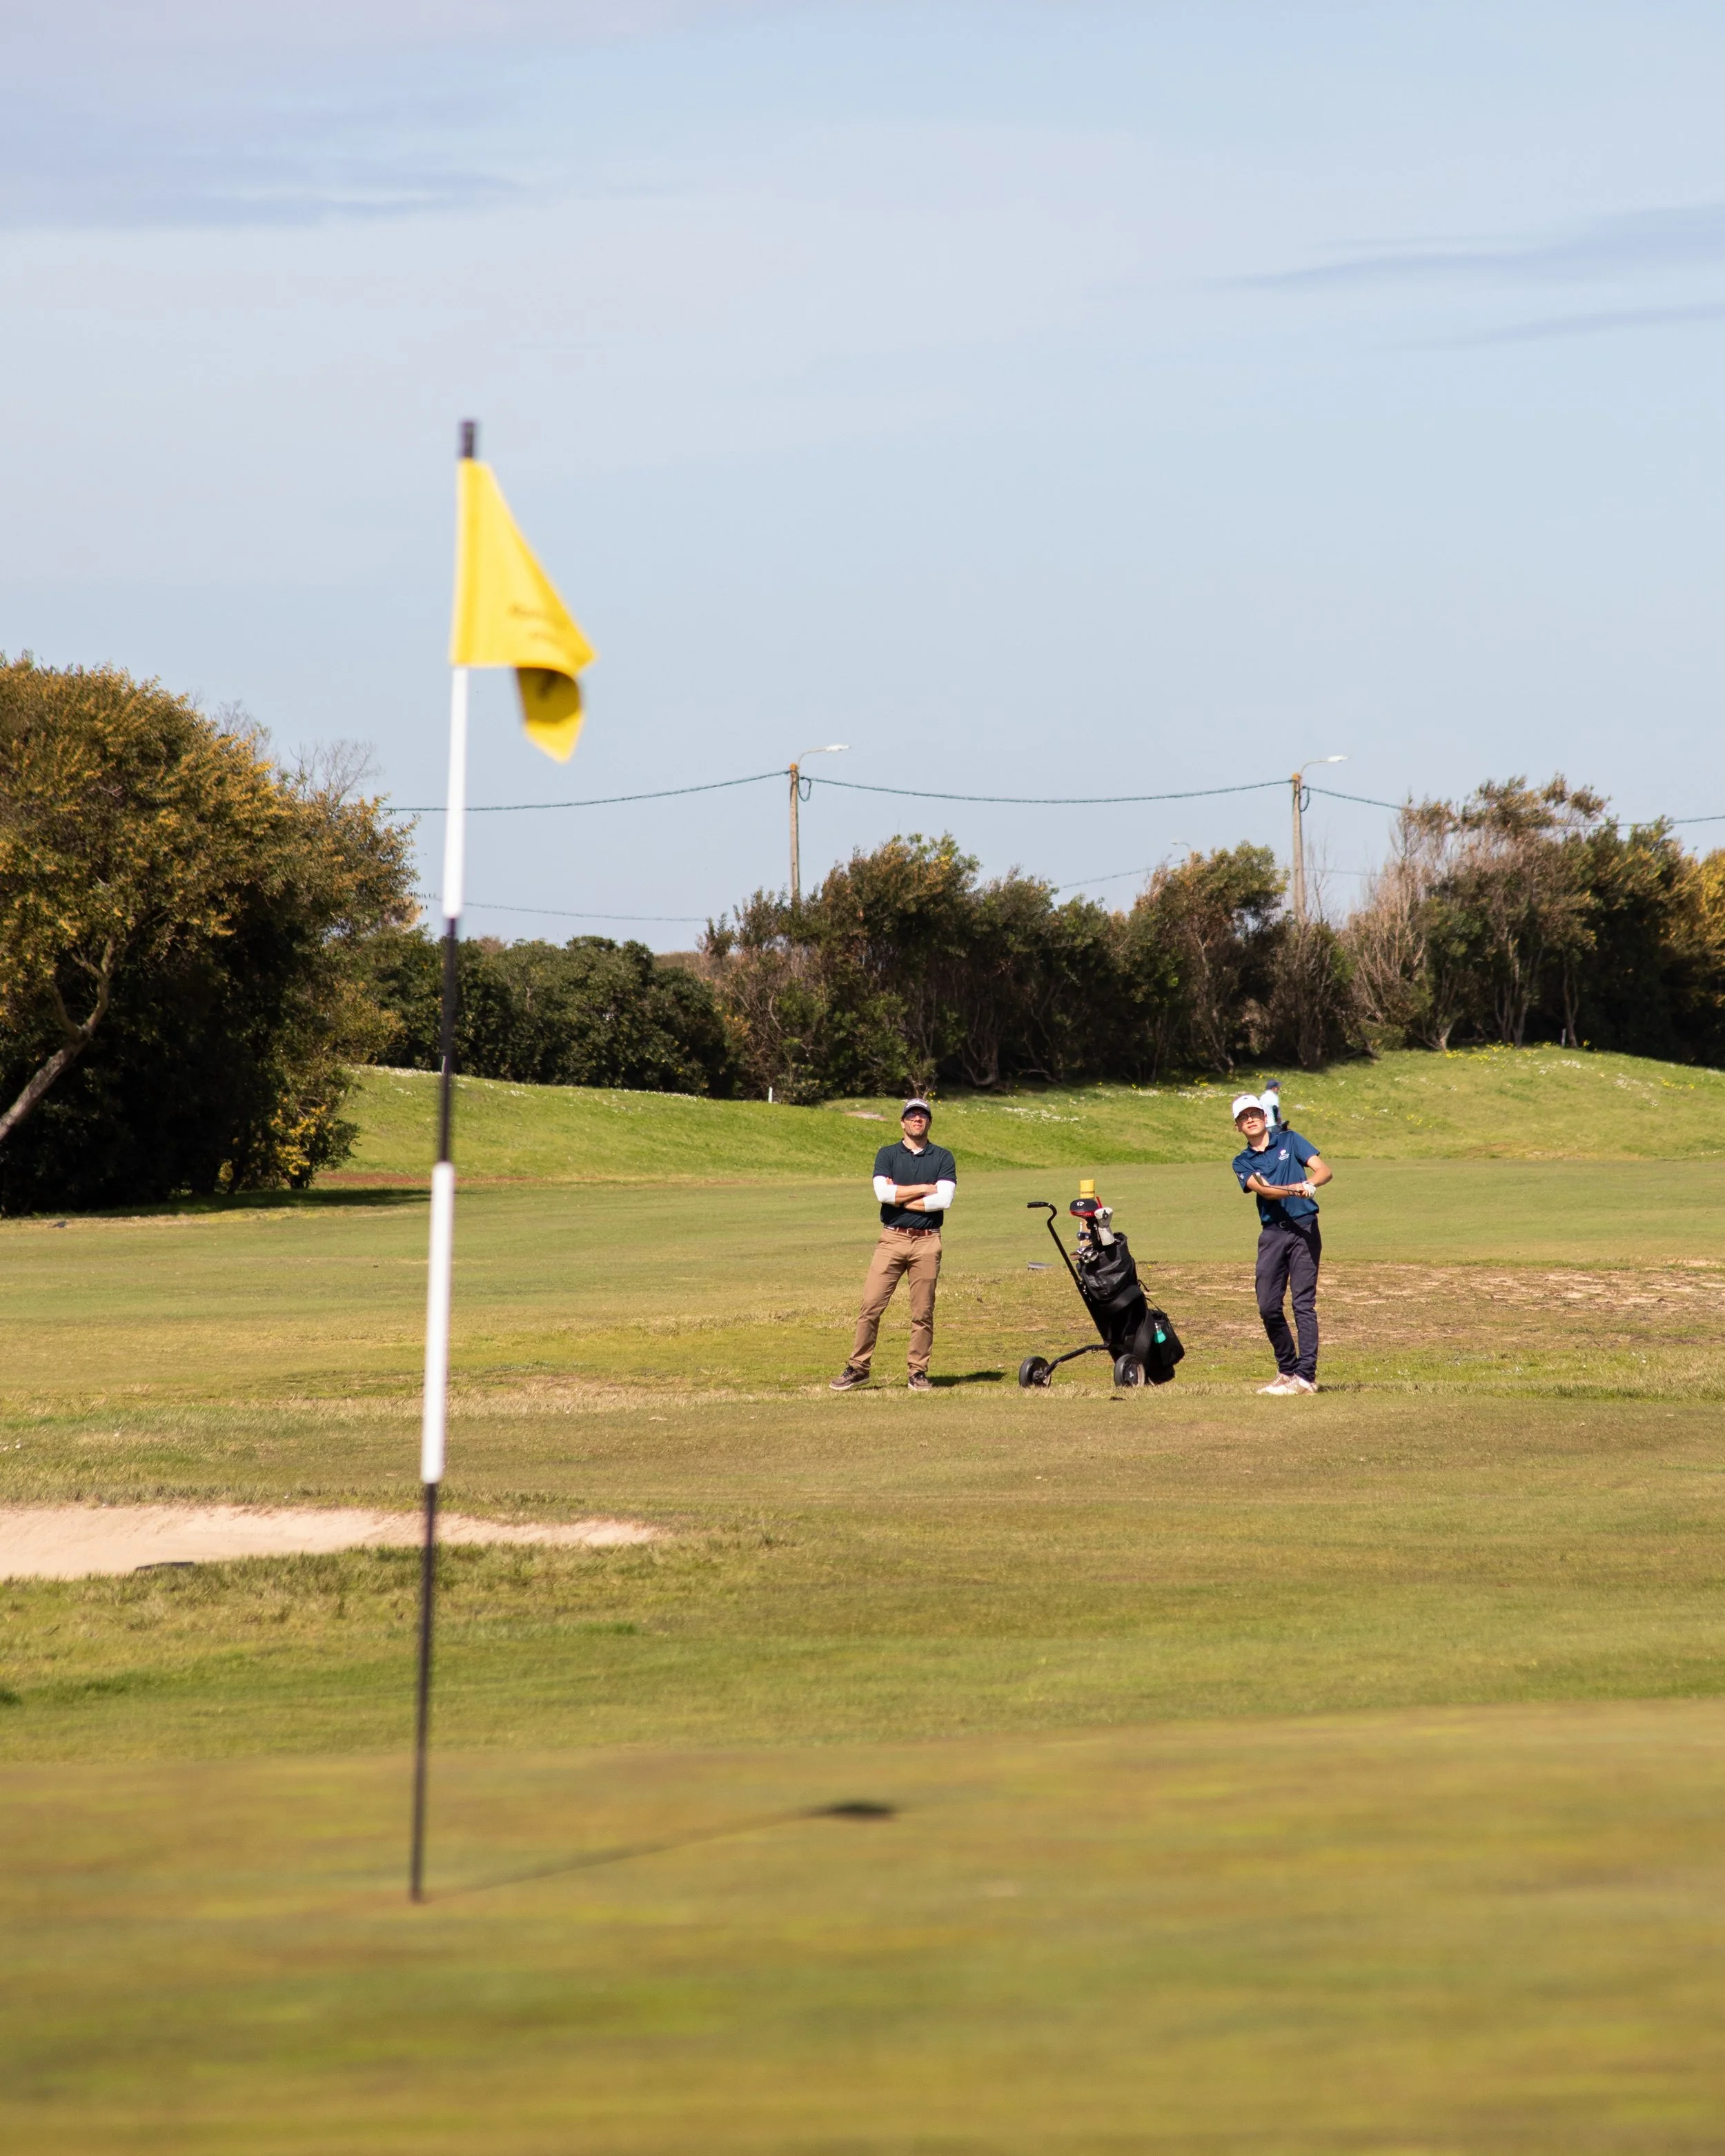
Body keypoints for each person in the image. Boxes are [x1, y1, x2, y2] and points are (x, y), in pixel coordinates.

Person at [830, 1098, 956, 1392]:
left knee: (923, 1312)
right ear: (902, 1122)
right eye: (912, 1115)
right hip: (891, 1238)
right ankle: (859, 1368)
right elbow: (883, 1195)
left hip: (927, 1242)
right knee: (871, 1306)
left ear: (929, 1122)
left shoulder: (943, 1157)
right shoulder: (887, 1155)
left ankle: (918, 1372)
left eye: (922, 1116)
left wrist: (900, 1195)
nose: (917, 1120)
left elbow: (944, 1200)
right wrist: (925, 1188)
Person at [1230, 1092, 1331, 1395]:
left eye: (1254, 1114)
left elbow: (1324, 1170)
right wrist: (1296, 1189)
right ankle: (1287, 1370)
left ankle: (1305, 1377)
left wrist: (1311, 1184)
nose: (1250, 1119)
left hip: (1304, 1229)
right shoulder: (1242, 1161)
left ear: (1264, 1117)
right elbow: (1264, 1190)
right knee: (1268, 1305)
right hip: (1272, 1234)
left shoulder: (1290, 1140)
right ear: (1237, 1126)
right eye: (1243, 1117)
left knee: (1303, 1304)